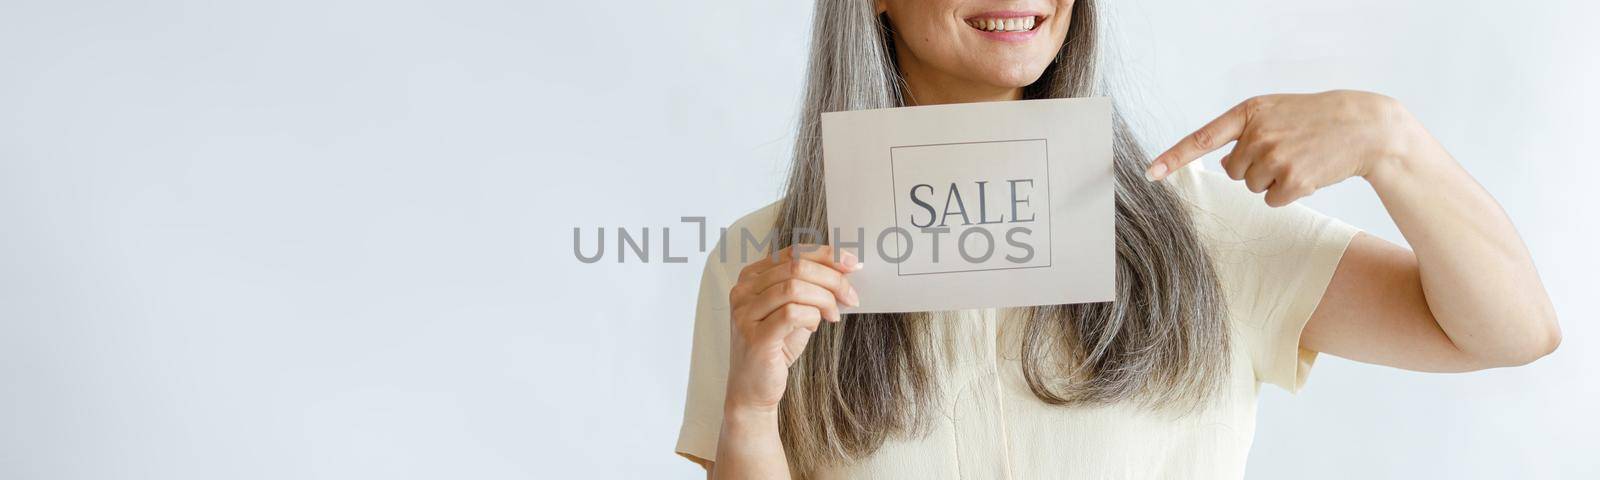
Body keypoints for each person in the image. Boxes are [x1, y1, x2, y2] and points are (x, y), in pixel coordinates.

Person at [675, 0, 1561, 478]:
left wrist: (1393, 142)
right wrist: (751, 411)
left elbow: (1509, 332)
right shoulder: (767, 269)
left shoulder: (1201, 232)